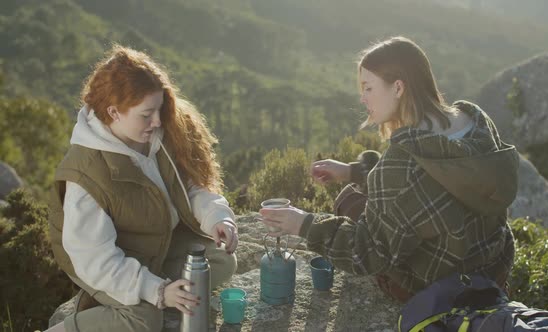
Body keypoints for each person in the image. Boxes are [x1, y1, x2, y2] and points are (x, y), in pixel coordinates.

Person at [259, 36, 518, 303]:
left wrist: (303, 224)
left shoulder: (402, 162)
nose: (362, 98)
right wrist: (354, 172)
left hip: (437, 288)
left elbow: (367, 254)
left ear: (397, 88)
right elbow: (432, 183)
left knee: (350, 202)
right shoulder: (475, 121)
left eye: (368, 88)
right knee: (364, 198)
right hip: (491, 270)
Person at [46, 45, 238, 332]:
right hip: (108, 260)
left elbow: (189, 186)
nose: (158, 121)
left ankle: (151, 288)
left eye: (159, 109)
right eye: (146, 114)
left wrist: (216, 217)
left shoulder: (161, 133)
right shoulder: (86, 174)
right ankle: (63, 327)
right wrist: (158, 291)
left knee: (220, 260)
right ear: (114, 112)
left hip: (157, 241)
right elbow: (96, 261)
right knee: (145, 320)